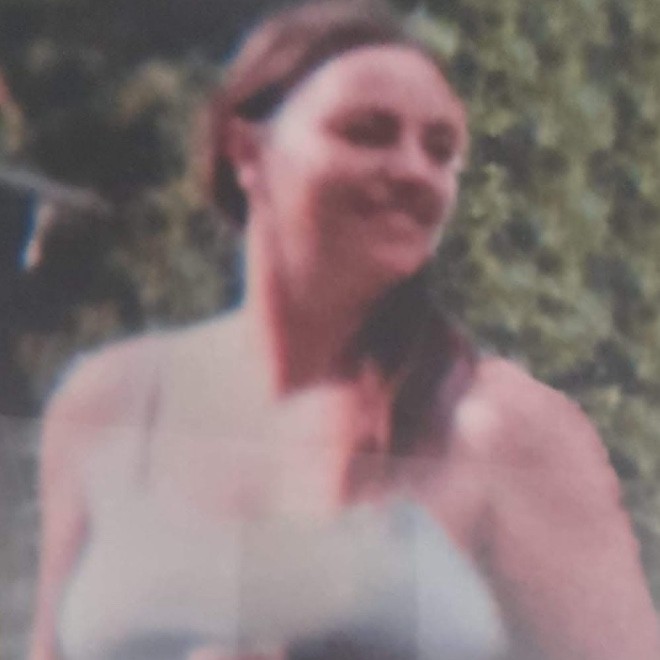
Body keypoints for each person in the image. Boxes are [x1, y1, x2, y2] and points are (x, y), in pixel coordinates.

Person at [30, 1, 660, 659]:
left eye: (441, 150)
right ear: (248, 150)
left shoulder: (499, 428)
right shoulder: (111, 402)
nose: (415, 170)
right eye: (368, 132)